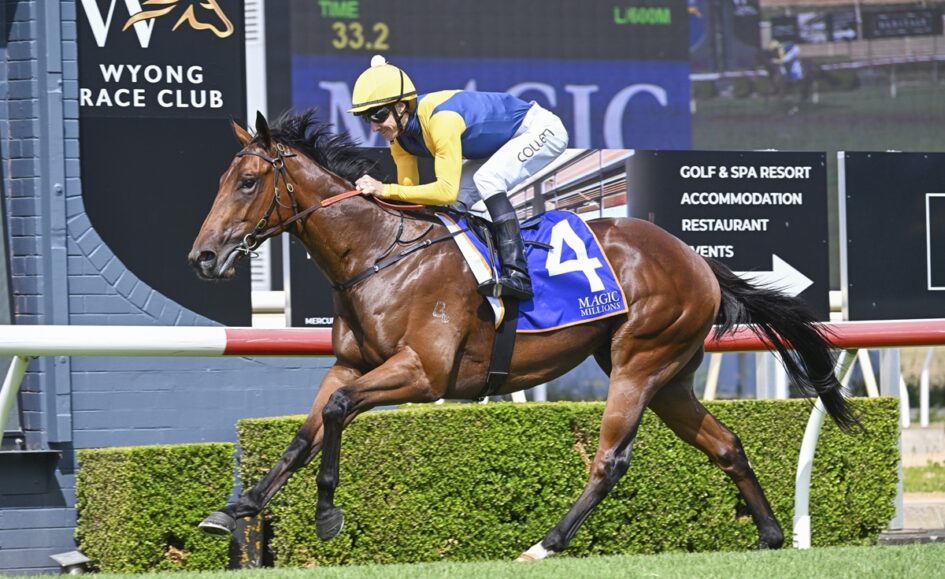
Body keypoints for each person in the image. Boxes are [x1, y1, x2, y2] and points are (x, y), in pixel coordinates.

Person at [348, 55, 569, 301]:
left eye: (378, 115)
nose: (374, 127)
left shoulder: (442, 120)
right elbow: (411, 198)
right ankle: (485, 266)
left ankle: (518, 275)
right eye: (367, 118)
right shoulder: (399, 140)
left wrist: (383, 189)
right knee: (456, 201)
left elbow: (445, 190)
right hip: (500, 145)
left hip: (540, 130)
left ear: (401, 107)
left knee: (487, 178)